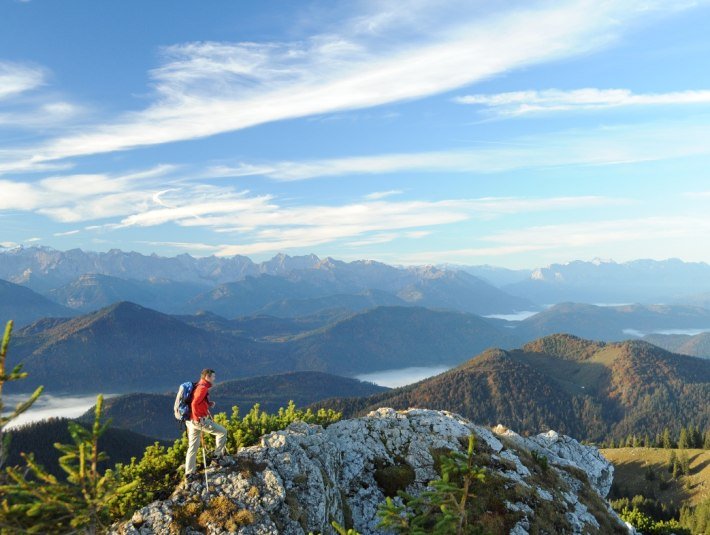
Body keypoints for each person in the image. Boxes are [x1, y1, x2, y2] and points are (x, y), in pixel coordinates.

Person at [184, 368, 228, 481]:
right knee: (222, 432)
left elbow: (197, 401)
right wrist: (198, 418)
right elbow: (194, 404)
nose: (214, 379)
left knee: (193, 447)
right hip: (198, 420)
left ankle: (189, 473)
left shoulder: (198, 385)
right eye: (213, 377)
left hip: (190, 421)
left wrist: (208, 403)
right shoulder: (203, 388)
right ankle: (217, 457)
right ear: (207, 377)